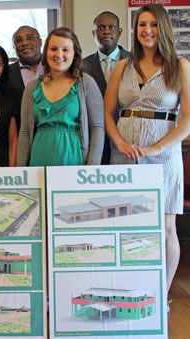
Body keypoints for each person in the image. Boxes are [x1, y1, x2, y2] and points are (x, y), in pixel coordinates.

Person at [104, 4, 190, 298]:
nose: (147, 30)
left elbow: (188, 120)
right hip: (125, 153)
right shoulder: (122, 67)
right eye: (142, 24)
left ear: (162, 27)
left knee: (166, 228)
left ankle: (161, 296)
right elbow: (107, 114)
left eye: (153, 24)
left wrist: (157, 148)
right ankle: (129, 288)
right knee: (126, 225)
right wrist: (118, 142)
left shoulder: (180, 66)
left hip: (164, 155)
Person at [17, 27, 104, 167]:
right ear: (45, 52)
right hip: (39, 161)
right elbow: (25, 133)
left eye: (65, 49)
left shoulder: (86, 84)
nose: (59, 54)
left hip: (75, 161)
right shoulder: (32, 88)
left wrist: (92, 169)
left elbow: (97, 129)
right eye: (53, 49)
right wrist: (20, 171)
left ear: (74, 53)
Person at [83, 11, 130, 164]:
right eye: (101, 27)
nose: (106, 31)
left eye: (111, 27)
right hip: (95, 140)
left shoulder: (135, 62)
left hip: (129, 138)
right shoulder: (81, 67)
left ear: (119, 31)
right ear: (93, 33)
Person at [9, 25, 43, 130]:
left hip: (53, 136)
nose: (24, 43)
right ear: (14, 47)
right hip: (21, 137)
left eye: (30, 38)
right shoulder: (6, 74)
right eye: (18, 40)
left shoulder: (56, 68)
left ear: (41, 42)